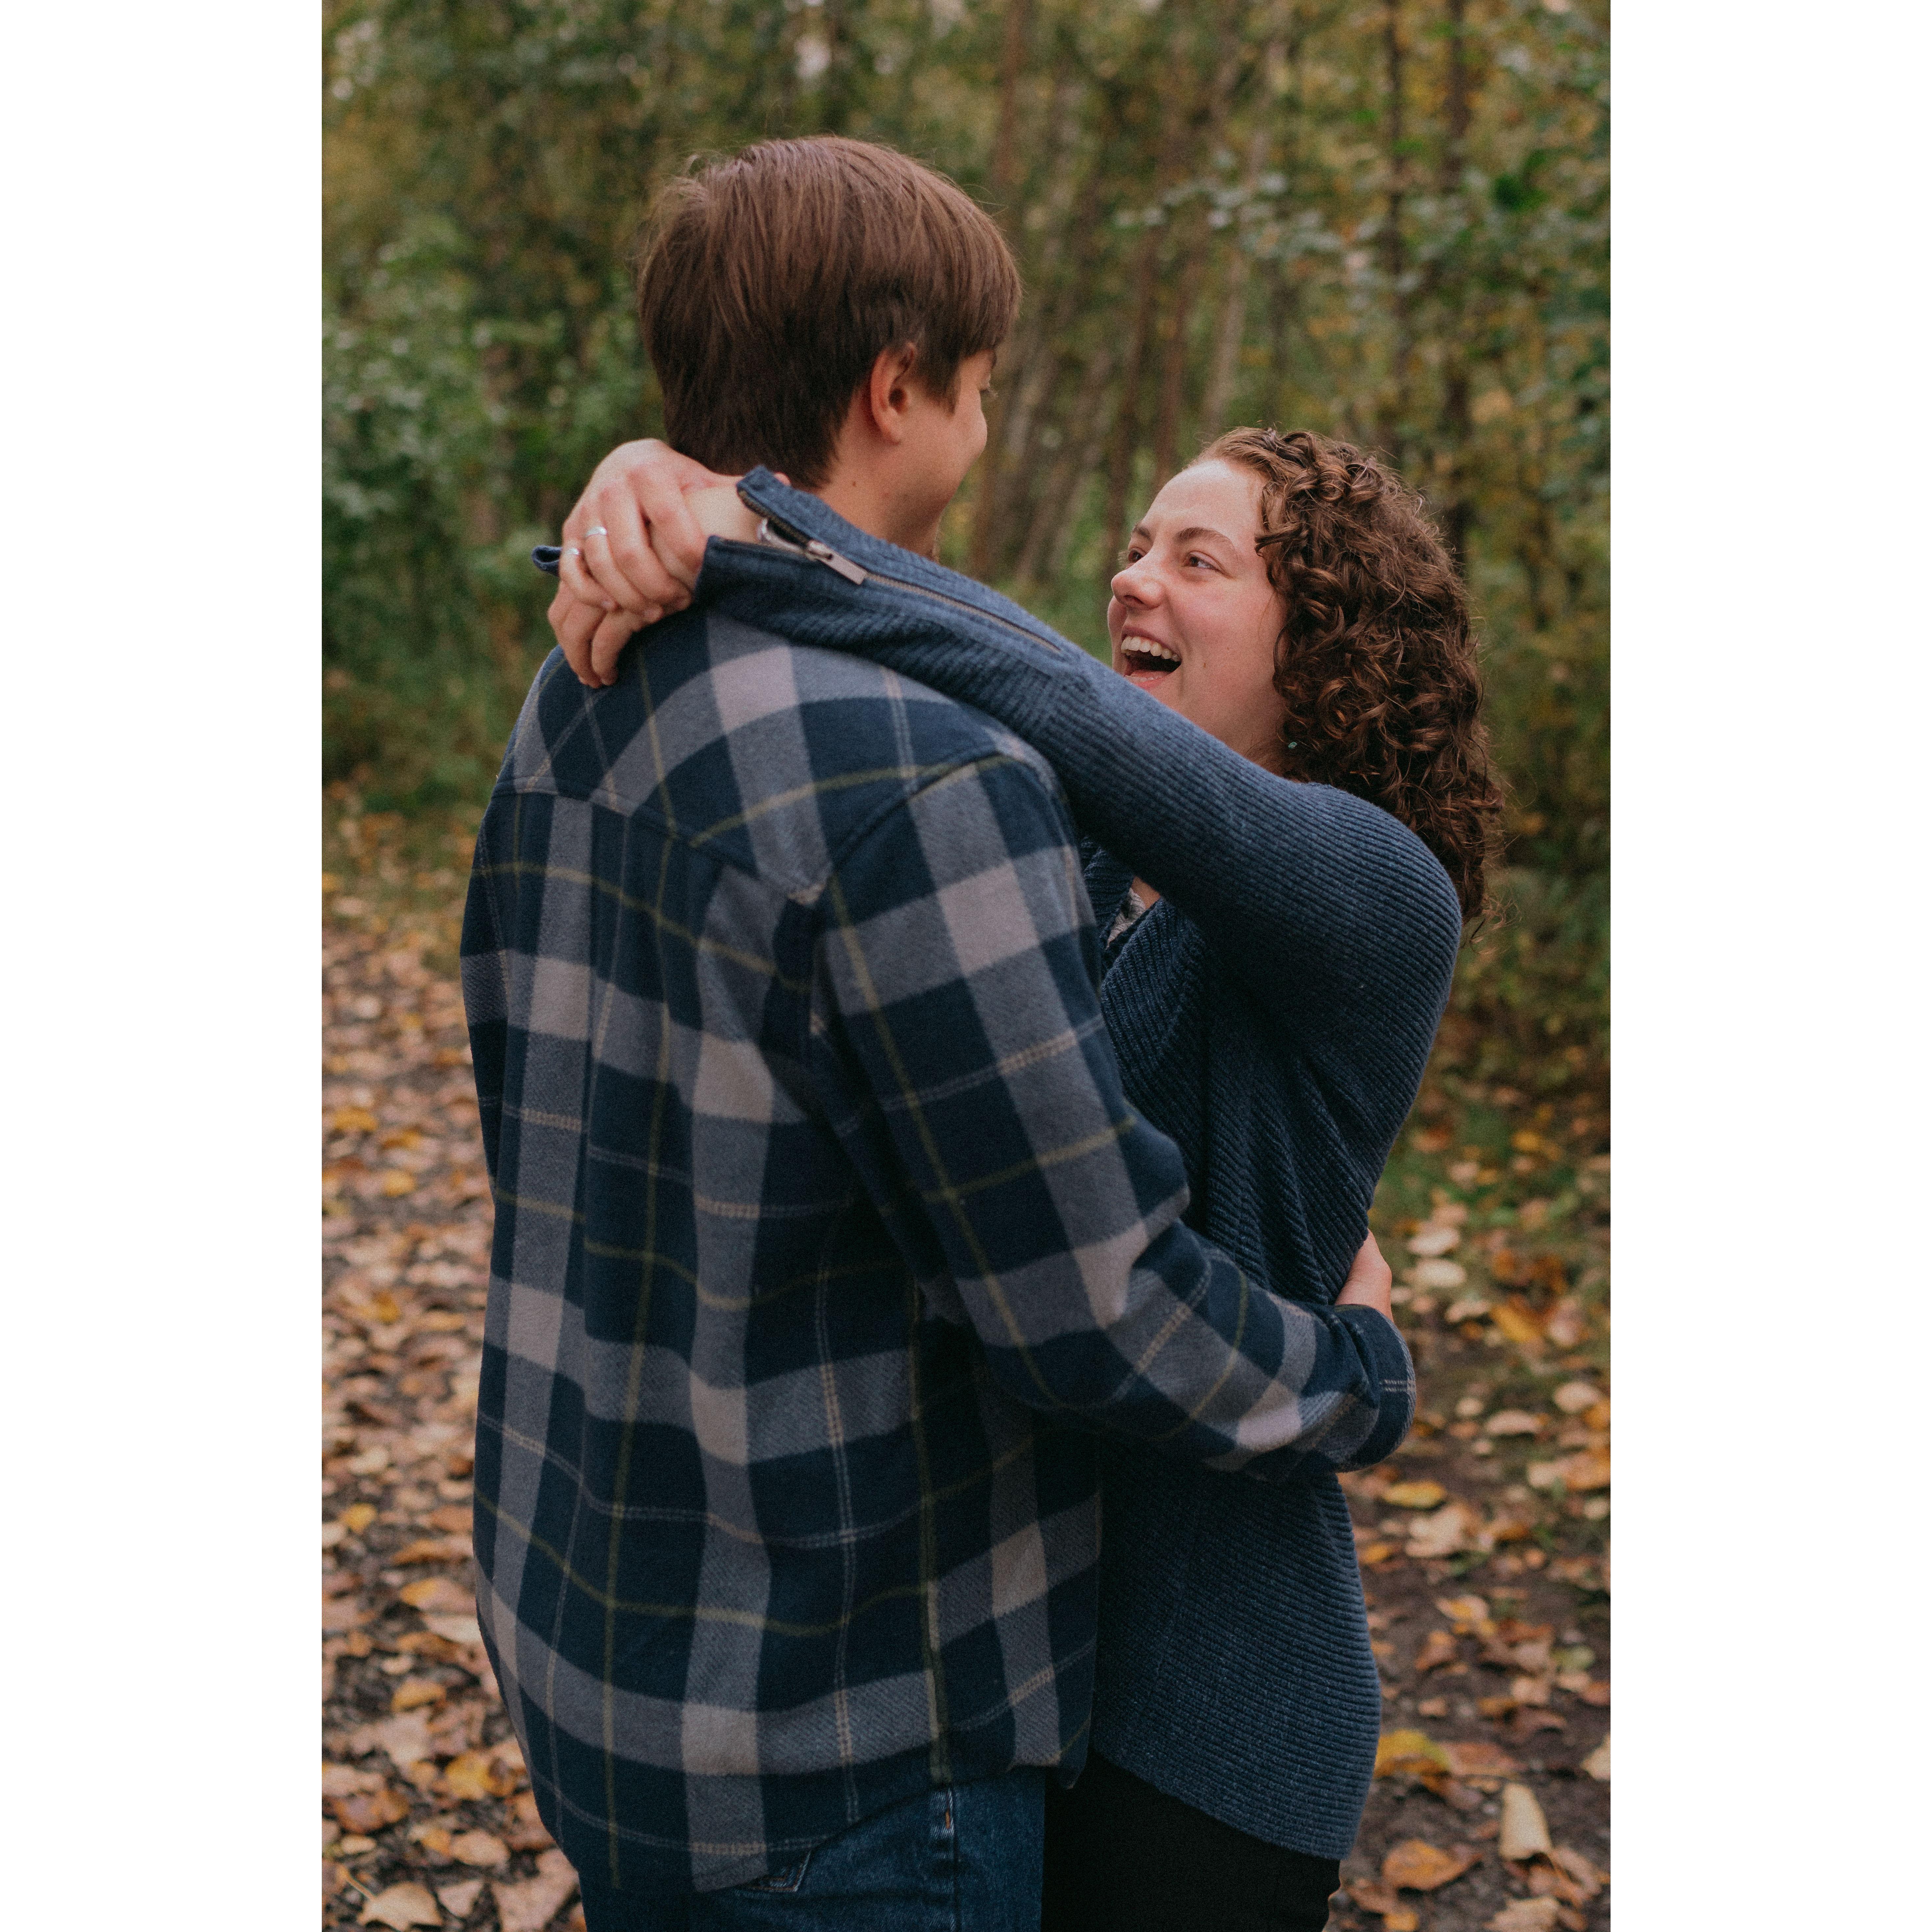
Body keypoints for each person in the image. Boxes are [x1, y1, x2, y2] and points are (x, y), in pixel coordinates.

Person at [462, 135, 1429, 1932]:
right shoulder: (943, 791)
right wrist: (1359, 1374)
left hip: (620, 1663)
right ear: (897, 388)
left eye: (1199, 558)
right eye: (980, 390)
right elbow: (1092, 1306)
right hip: (853, 1739)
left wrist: (732, 517)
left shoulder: (578, 681)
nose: (1131, 583)